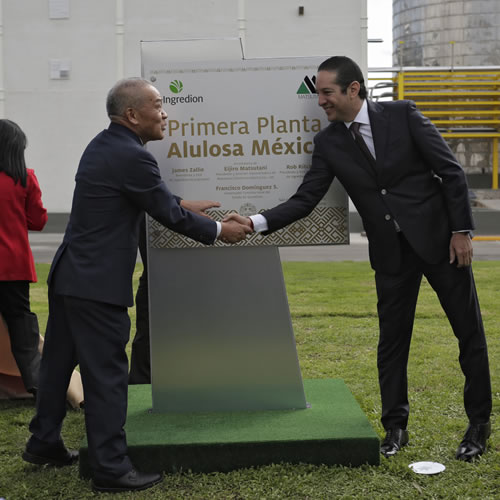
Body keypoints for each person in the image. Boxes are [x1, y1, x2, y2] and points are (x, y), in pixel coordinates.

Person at [225, 56, 492, 462]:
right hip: (390, 254)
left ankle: (478, 425)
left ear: (353, 89)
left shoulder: (403, 115)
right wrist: (254, 221)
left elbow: (451, 172)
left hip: (441, 244)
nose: (321, 102)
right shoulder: (329, 142)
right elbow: (305, 199)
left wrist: (461, 232)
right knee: (391, 343)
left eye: (327, 93)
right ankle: (395, 427)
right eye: (318, 94)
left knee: (468, 334)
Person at [22, 77, 251, 494]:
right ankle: (111, 467)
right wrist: (219, 229)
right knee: (107, 374)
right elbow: (162, 209)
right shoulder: (132, 156)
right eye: (158, 105)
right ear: (132, 114)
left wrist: (179, 203)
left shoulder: (107, 145)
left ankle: (43, 443)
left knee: (57, 364)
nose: (165, 113)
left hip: (72, 274)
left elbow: (144, 197)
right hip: (96, 284)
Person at [0, 119, 47, 398]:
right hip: (14, 266)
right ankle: (36, 383)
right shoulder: (26, 178)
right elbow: (38, 221)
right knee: (22, 326)